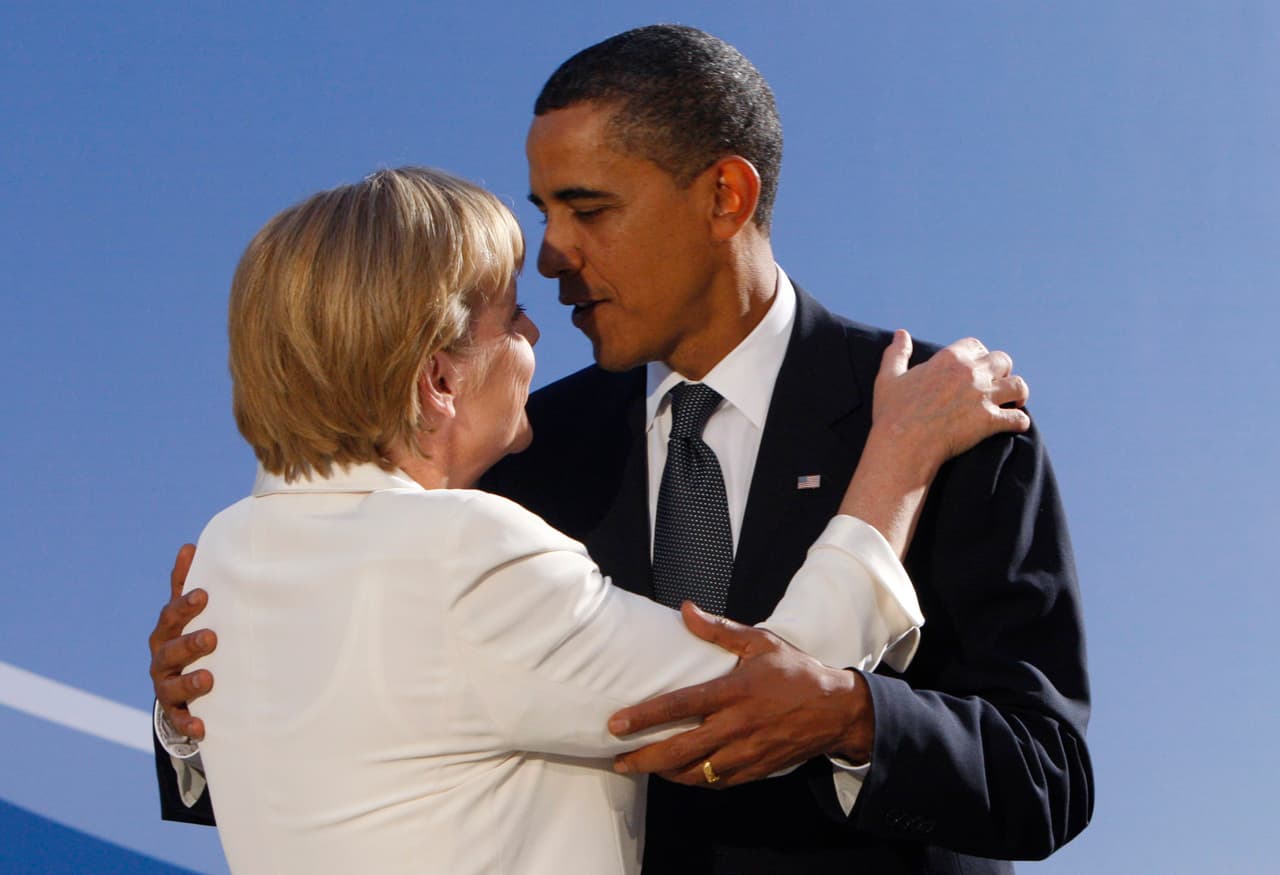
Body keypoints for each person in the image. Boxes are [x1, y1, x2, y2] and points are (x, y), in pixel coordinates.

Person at [150, 24, 1091, 874]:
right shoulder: (507, 462)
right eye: (543, 211)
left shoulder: (946, 419)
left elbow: (1045, 772)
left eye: (587, 209)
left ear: (725, 195)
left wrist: (855, 716)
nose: (551, 253)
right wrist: (194, 705)